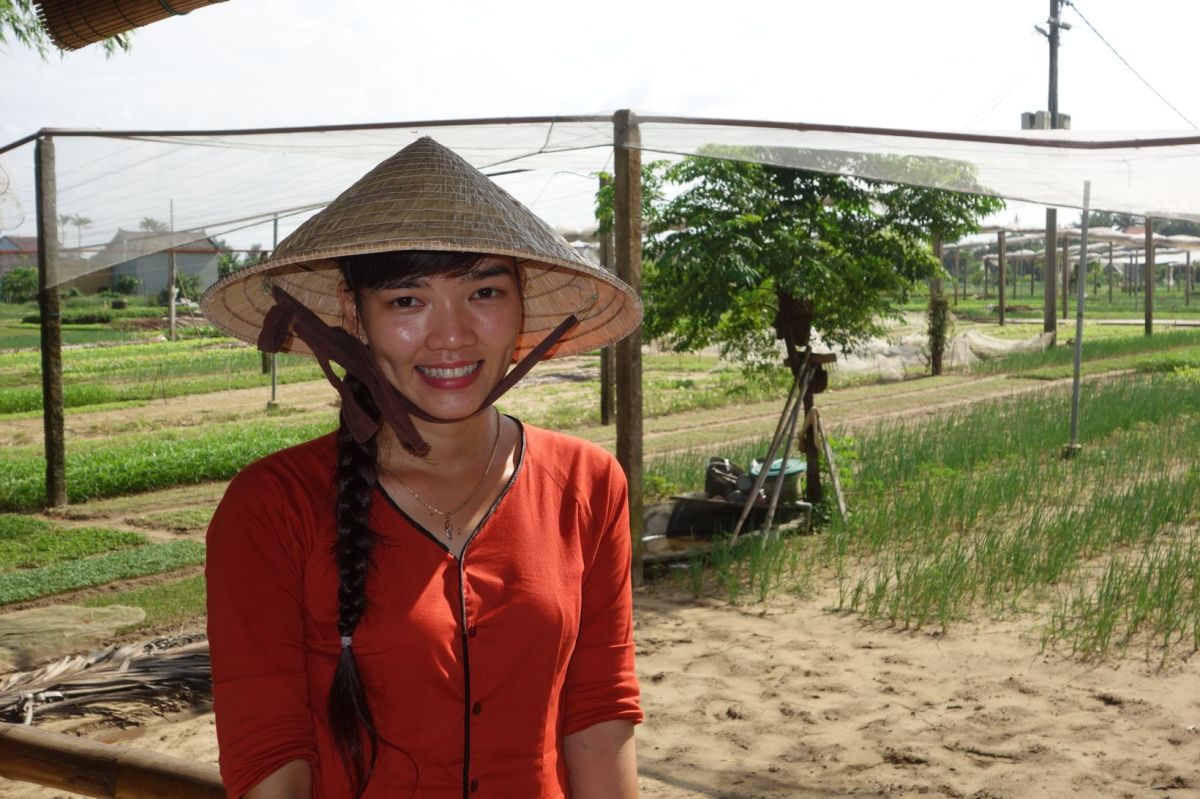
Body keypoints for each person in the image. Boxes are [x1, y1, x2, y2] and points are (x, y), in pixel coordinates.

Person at [201, 137, 644, 799]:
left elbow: (599, 717)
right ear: (354, 313)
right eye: (407, 301)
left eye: (484, 292)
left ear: (521, 305)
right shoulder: (272, 507)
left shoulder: (588, 484)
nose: (451, 336)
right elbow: (270, 754)